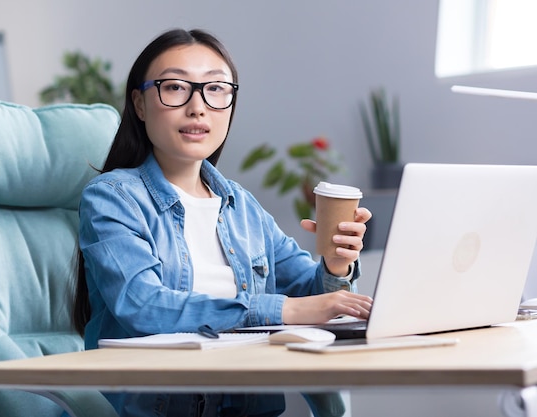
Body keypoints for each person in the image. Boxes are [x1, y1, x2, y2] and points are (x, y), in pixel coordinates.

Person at [73, 28, 373, 417]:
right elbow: (142, 305)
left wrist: (336, 264)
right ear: (140, 104)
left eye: (216, 89)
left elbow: (312, 292)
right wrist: (286, 311)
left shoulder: (241, 206)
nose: (198, 107)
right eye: (176, 87)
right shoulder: (113, 197)